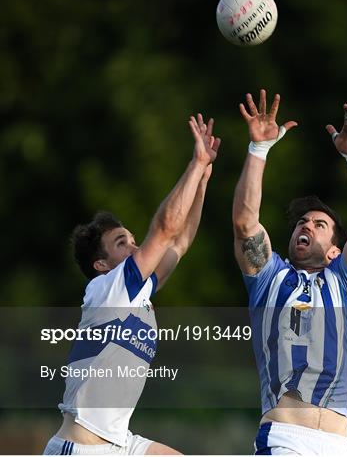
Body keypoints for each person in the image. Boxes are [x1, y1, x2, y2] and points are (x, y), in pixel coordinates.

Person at [43, 114, 220, 455]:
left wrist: (203, 180)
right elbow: (166, 229)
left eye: (134, 239)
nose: (137, 247)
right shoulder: (107, 289)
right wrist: (195, 164)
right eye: (122, 242)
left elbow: (179, 243)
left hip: (119, 441)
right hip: (82, 445)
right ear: (101, 264)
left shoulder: (137, 293)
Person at [232, 90, 347, 456]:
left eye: (319, 224)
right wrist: (258, 150)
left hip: (336, 444)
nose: (307, 225)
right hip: (285, 438)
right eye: (302, 221)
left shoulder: (345, 283)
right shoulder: (269, 279)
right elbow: (244, 223)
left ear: (336, 249)